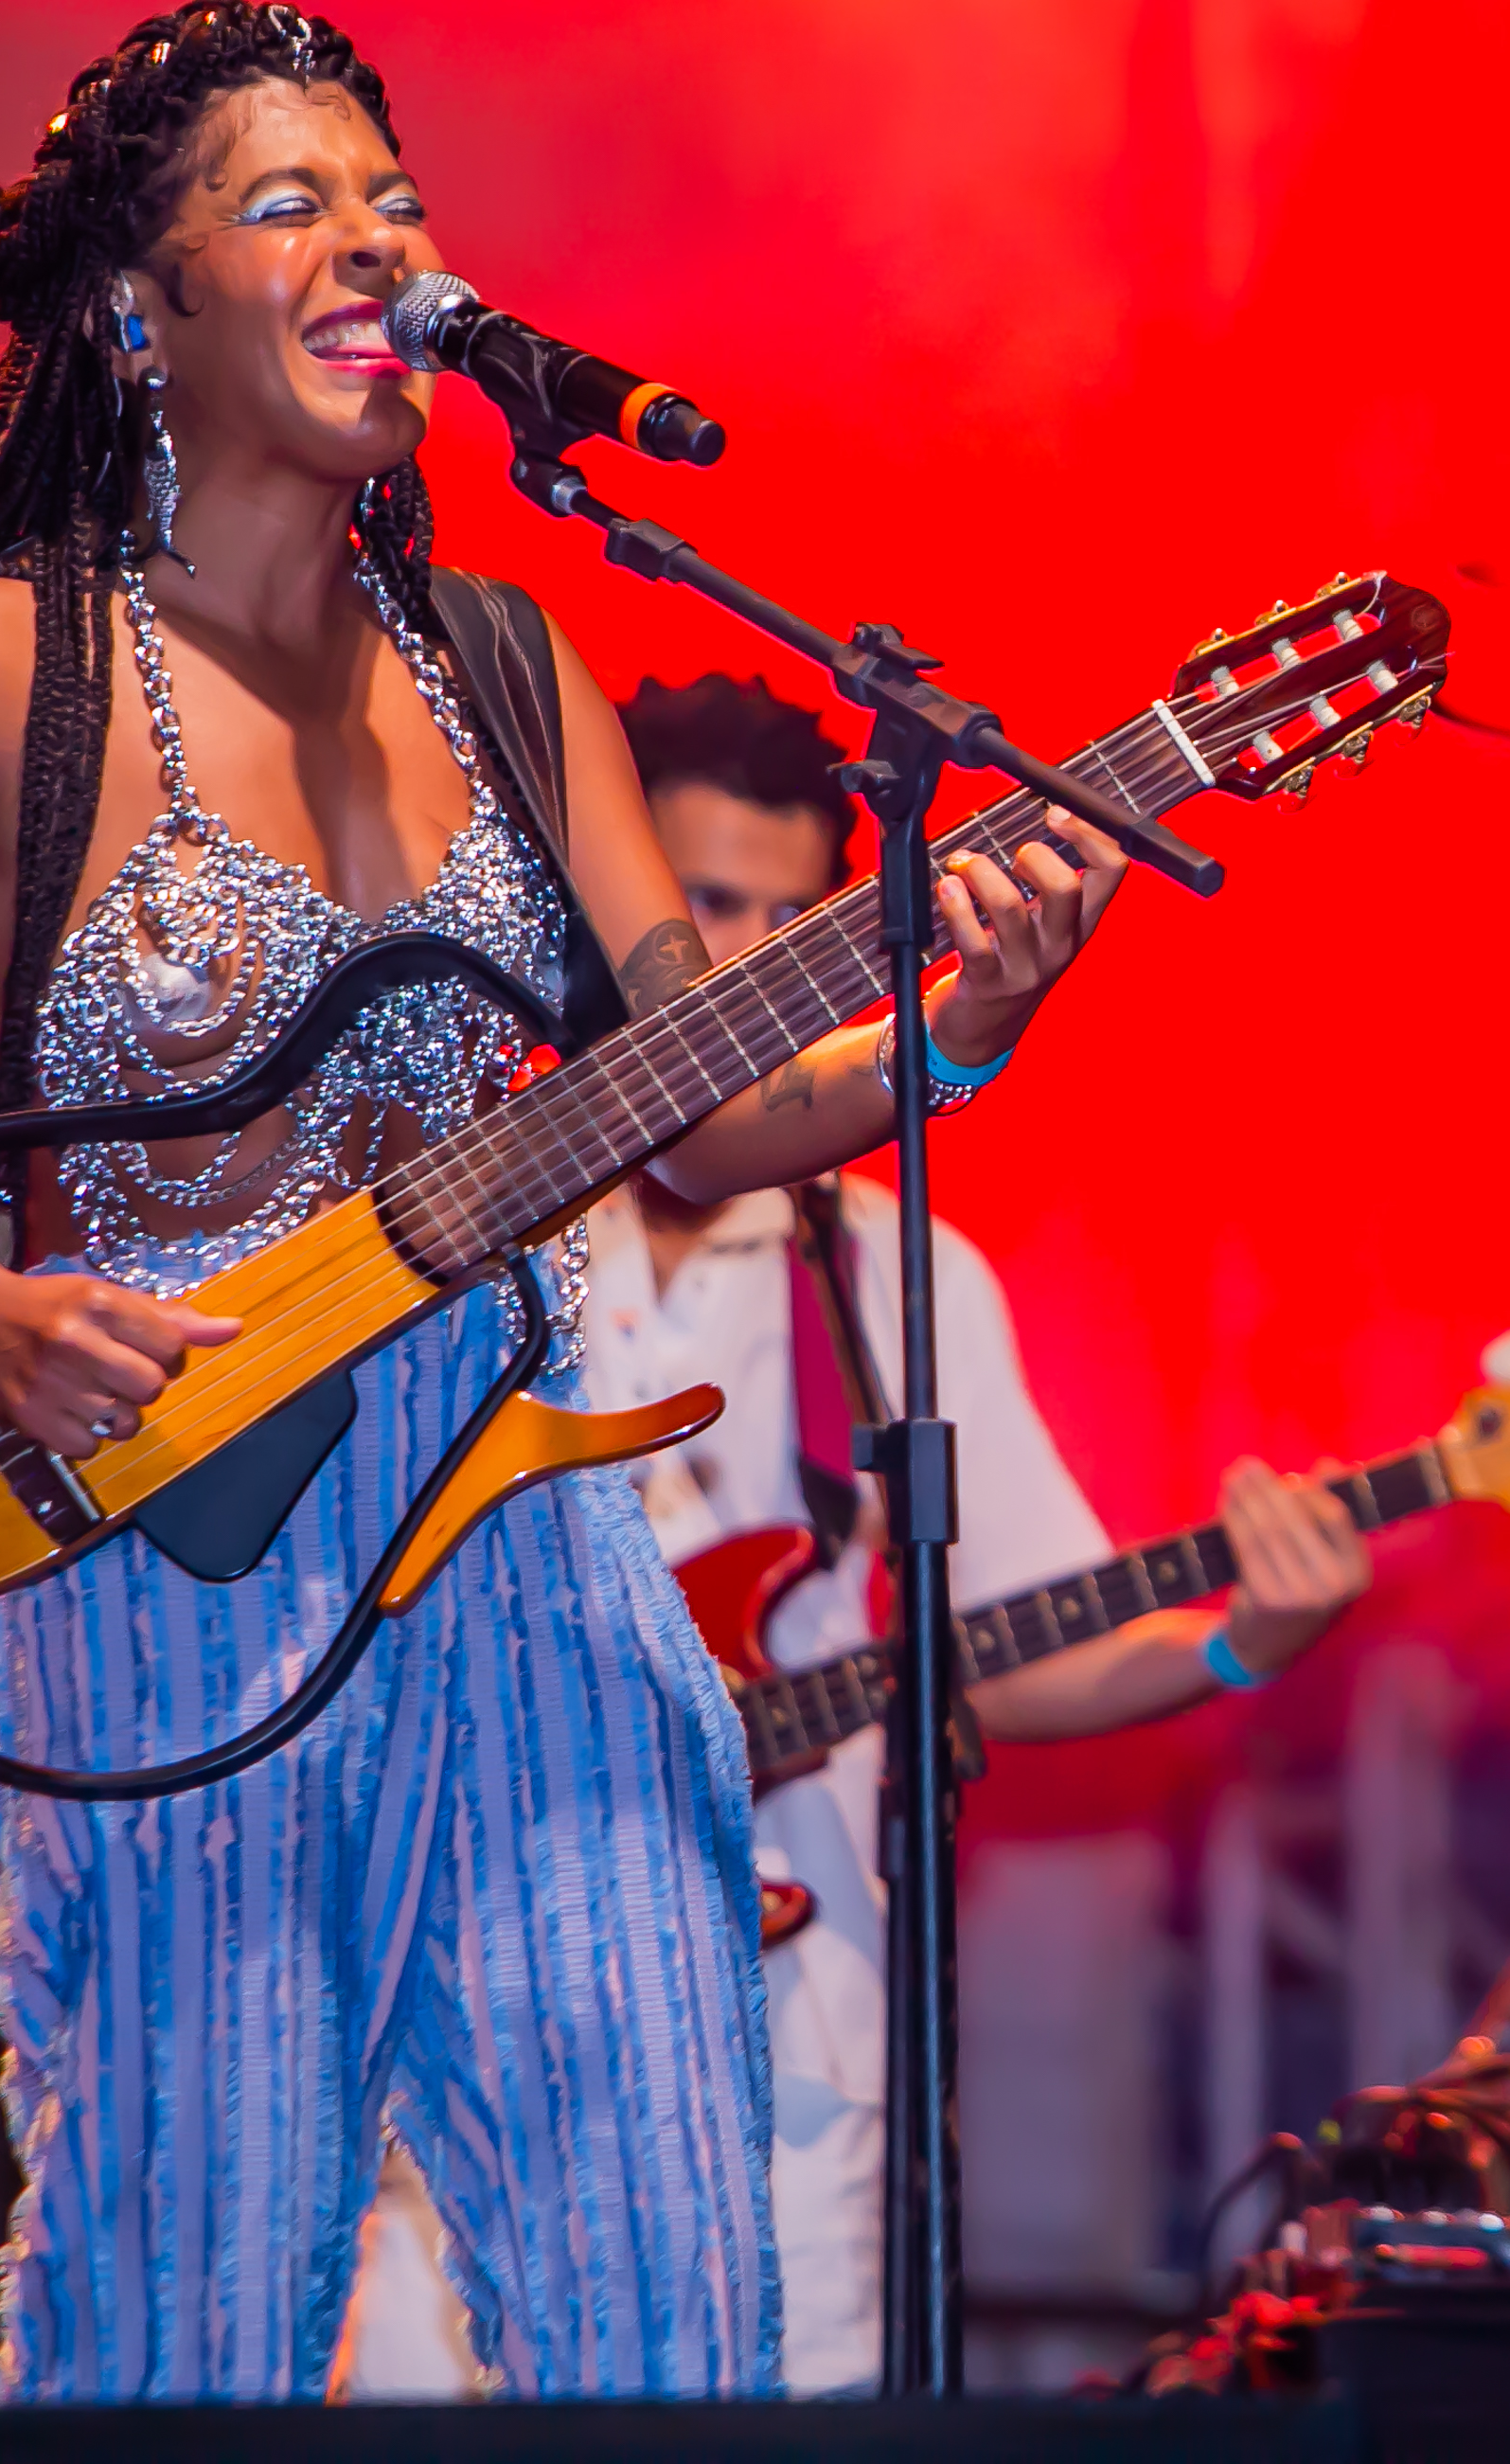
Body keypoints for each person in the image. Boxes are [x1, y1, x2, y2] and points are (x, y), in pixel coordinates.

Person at [0, 0, 1124, 2401]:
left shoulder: (503, 659)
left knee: (669, 2293)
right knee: (182, 2291)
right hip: (163, 1530)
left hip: (533, 1529)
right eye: (289, 201)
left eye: (393, 199)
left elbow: (683, 1107)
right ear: (134, 305)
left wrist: (956, 1028)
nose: (373, 238)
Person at [340, 676, 1372, 2398]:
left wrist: (1236, 1640)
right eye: (693, 909)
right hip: (441, 2008)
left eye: (779, 914)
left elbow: (1015, 1645)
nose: (735, 959)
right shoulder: (455, 1221)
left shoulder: (893, 1267)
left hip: (788, 2046)